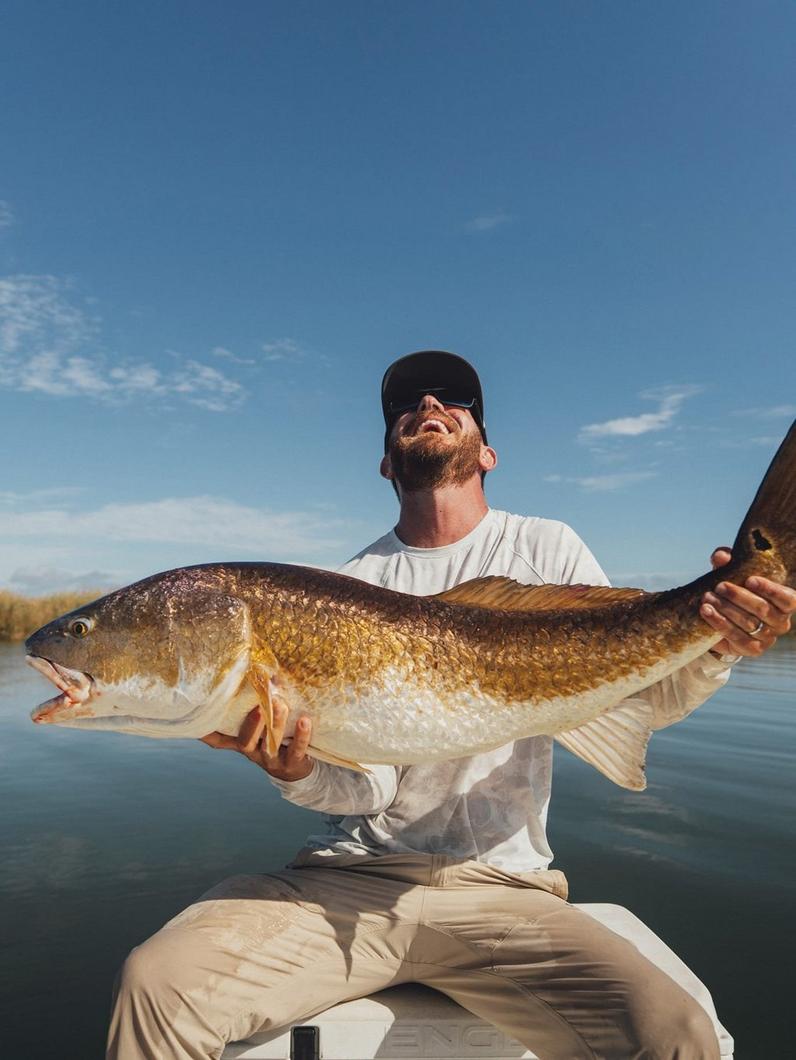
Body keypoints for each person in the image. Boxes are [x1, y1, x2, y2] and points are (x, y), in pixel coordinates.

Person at [107, 351, 795, 1060]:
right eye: (405, 403)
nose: (429, 401)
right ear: (385, 462)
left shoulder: (545, 547)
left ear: (487, 450)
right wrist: (295, 770)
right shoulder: (342, 588)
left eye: (454, 399)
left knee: (676, 1034)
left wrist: (720, 640)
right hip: (348, 881)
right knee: (157, 983)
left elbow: (639, 700)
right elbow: (366, 785)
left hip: (504, 888)